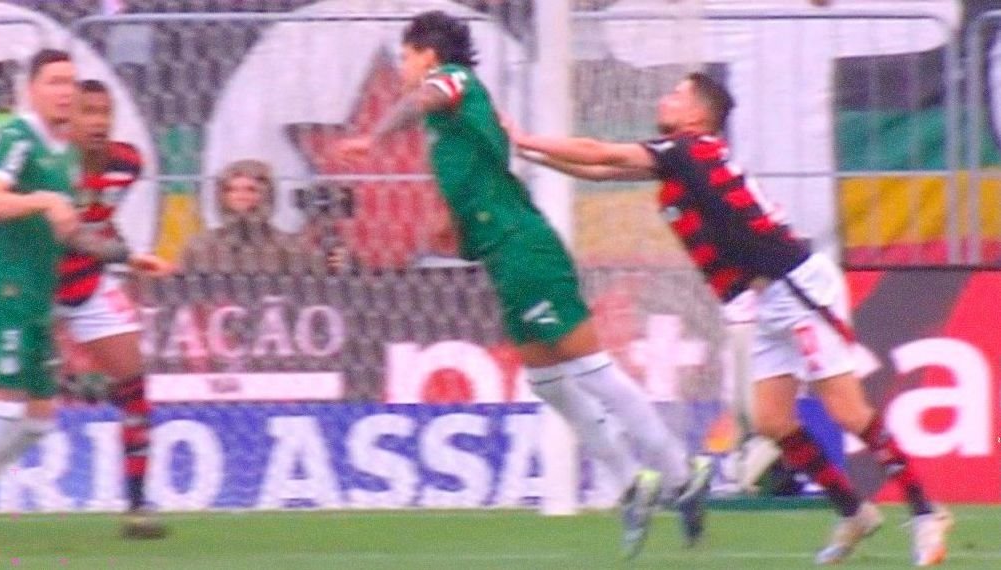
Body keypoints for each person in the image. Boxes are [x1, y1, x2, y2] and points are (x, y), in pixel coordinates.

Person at [507, 71, 954, 567]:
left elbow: (600, 153)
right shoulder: (679, 160)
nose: (665, 99)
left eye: (677, 94)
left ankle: (926, 511)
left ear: (699, 115)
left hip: (796, 284)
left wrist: (523, 137)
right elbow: (597, 171)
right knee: (772, 420)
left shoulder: (689, 149)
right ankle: (854, 513)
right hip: (767, 300)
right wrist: (528, 154)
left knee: (847, 410)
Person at [338, 11, 712, 557]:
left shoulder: (453, 82)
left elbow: (430, 95)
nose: (402, 68)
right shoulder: (446, 132)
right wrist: (452, 227)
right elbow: (470, 181)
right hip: (503, 255)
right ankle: (633, 484)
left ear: (428, 55)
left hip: (525, 250)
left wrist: (371, 137)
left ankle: (679, 474)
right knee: (547, 381)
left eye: (405, 56)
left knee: (592, 369)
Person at [56, 79, 174, 538]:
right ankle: (71, 381)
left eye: (105, 112)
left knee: (134, 384)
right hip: (34, 286)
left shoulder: (127, 163)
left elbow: (103, 220)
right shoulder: (50, 168)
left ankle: (137, 506)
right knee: (20, 410)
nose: (98, 122)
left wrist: (127, 254)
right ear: (67, 120)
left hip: (87, 282)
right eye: (87, 112)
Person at [0, 49, 81, 499]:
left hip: (39, 295)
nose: (66, 92)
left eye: (71, 83)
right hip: (4, 287)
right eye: (55, 82)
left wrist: (127, 257)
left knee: (38, 418)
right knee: (4, 403)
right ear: (31, 89)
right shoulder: (16, 137)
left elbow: (64, 227)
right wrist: (44, 200)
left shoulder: (66, 153)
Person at [181, 159, 346, 275]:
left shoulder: (289, 247)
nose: (240, 196)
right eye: (231, 189)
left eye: (250, 189)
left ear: (266, 194)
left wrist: (343, 265)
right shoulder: (201, 246)